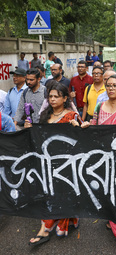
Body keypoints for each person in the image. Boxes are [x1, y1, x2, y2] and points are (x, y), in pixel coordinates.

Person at [74, 75, 116, 251]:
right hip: (104, 159)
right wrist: (87, 126)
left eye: (115, 85)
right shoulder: (99, 106)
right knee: (107, 192)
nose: (111, 88)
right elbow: (96, 128)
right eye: (109, 85)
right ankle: (113, 220)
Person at [27, 81, 81, 246]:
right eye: (50, 96)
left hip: (66, 164)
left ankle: (47, 228)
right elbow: (39, 139)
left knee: (63, 194)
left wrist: (77, 127)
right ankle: (46, 226)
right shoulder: (44, 116)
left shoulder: (72, 116)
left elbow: (81, 141)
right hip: (47, 163)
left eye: (56, 96)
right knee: (48, 194)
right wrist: (30, 128)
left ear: (65, 98)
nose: (52, 99)